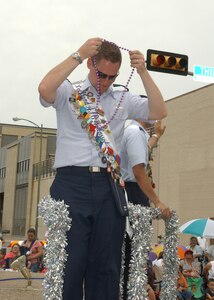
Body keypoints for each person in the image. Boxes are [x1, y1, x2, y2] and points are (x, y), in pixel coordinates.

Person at [38, 37, 167, 300]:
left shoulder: (122, 97)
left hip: (109, 185)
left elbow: (159, 110)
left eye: (112, 77)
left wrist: (143, 71)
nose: (105, 82)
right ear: (90, 64)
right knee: (70, 263)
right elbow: (44, 88)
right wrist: (77, 54)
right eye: (101, 75)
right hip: (71, 183)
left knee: (106, 265)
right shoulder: (69, 92)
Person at [120, 118, 170, 299]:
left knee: (134, 252)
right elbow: (139, 172)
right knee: (134, 251)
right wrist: (157, 201)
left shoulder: (130, 130)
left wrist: (156, 135)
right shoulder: (135, 131)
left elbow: (143, 152)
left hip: (131, 191)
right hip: (134, 192)